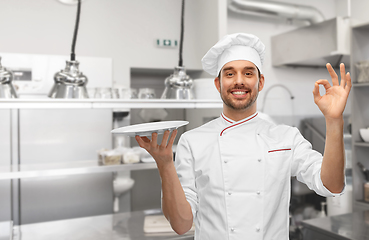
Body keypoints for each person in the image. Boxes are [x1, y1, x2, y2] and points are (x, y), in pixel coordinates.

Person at [135, 33, 351, 239]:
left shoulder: (286, 137)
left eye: (248, 73)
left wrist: (334, 121)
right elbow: (181, 225)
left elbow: (332, 186)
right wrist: (165, 165)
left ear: (261, 82)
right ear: (218, 84)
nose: (239, 81)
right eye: (229, 74)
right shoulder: (193, 141)